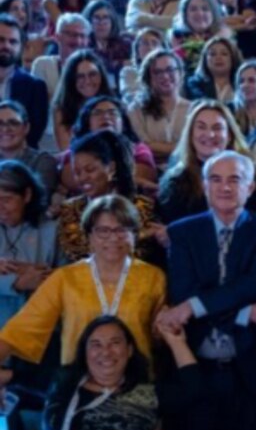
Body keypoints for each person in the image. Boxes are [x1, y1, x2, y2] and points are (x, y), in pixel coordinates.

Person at [156, 151, 256, 430]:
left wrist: (195, 306)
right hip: (195, 369)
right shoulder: (182, 232)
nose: (225, 187)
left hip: (248, 368)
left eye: (234, 179)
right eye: (216, 179)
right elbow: (184, 291)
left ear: (250, 187)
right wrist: (244, 313)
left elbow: (255, 284)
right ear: (204, 185)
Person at [8, 315, 202, 430]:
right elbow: (15, 377)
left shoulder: (148, 394)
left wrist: (176, 341)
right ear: (84, 352)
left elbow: (195, 390)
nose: (105, 352)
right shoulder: (63, 383)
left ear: (130, 350)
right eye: (96, 344)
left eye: (115, 343)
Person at [0, 194, 166, 369]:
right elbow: (21, 328)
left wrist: (163, 327)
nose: (113, 237)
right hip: (78, 378)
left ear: (134, 235)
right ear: (89, 237)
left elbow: (161, 337)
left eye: (122, 229)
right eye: (103, 231)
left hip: (136, 378)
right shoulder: (65, 278)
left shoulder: (153, 277)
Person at [157, 101, 256, 223]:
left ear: (229, 136)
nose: (209, 134)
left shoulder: (254, 175)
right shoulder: (175, 182)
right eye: (201, 127)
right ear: (190, 134)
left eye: (217, 128)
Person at [57, 131, 159, 264]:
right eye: (77, 172)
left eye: (90, 170)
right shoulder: (70, 209)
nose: (82, 178)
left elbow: (140, 254)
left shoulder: (142, 206)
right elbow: (77, 254)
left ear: (111, 168)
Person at [0, 160, 58, 325]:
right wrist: (16, 282)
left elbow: (67, 275)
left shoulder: (51, 228)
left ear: (27, 195)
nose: (0, 207)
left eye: (6, 199)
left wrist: (34, 273)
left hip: (40, 323)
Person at [126, 49, 193, 166]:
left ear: (180, 73)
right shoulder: (135, 110)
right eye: (157, 72)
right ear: (148, 78)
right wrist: (182, 148)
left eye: (170, 69)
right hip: (148, 170)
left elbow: (195, 147)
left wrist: (158, 148)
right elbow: (144, 148)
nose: (165, 76)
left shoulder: (193, 109)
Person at [0, 15, 49, 149]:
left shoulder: (35, 86)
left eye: (13, 42)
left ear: (21, 46)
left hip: (22, 163)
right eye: (1, 40)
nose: (6, 46)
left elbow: (34, 134)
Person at [0, 101, 58, 196]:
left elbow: (39, 199)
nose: (5, 129)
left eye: (13, 123)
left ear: (26, 128)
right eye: (0, 123)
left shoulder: (43, 161)